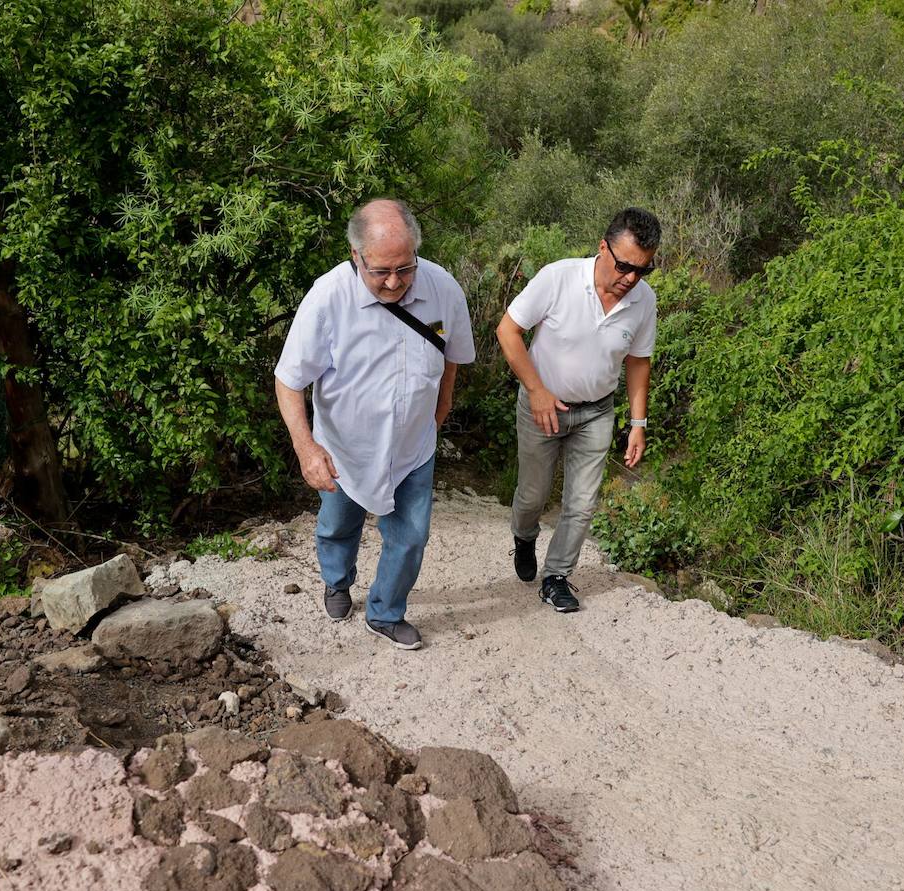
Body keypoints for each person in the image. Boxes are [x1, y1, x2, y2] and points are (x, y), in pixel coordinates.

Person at [274, 199, 475, 650]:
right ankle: (337, 580)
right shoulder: (328, 298)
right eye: (381, 271)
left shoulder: (443, 289)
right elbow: (288, 382)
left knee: (410, 538)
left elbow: (452, 359)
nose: (394, 282)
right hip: (346, 448)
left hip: (412, 446)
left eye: (405, 269)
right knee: (337, 526)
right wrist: (308, 449)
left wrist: (440, 412)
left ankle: (385, 612)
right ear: (355, 255)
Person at [495, 207, 660, 612]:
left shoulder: (643, 300)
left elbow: (639, 361)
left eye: (642, 270)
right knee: (533, 495)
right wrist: (535, 390)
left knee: (582, 502)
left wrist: (638, 423)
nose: (630, 278)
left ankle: (556, 577)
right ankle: (524, 535)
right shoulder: (559, 277)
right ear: (602, 248)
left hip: (596, 412)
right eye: (624, 266)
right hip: (542, 407)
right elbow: (508, 331)